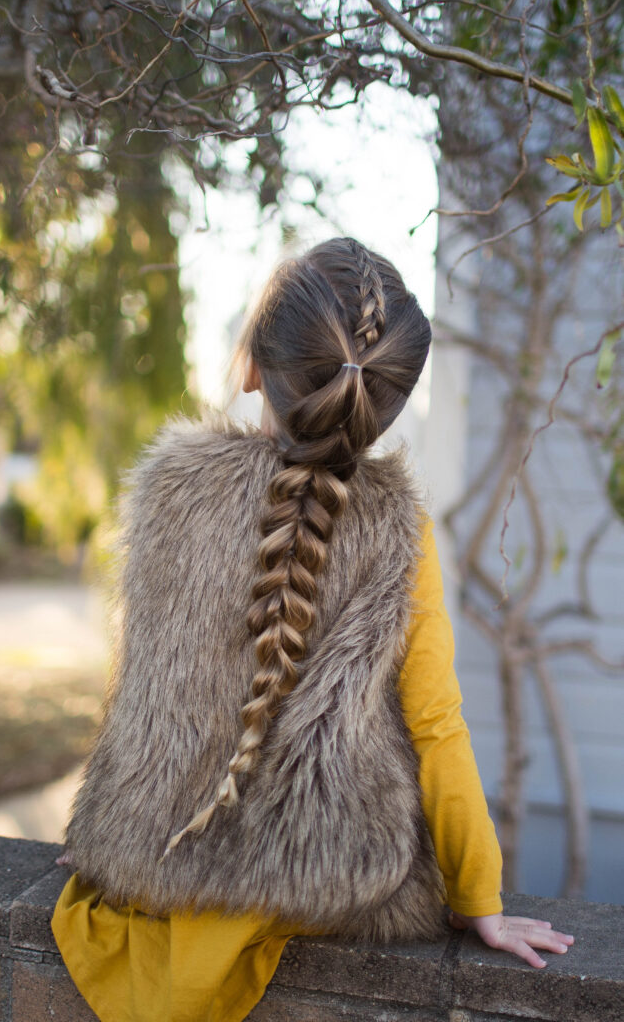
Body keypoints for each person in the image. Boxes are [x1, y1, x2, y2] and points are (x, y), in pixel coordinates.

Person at [52, 237, 574, 1022]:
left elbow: (143, 687)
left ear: (255, 365)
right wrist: (478, 895)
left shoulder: (170, 493)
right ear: (384, 401)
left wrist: (113, 833)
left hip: (155, 859)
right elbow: (435, 723)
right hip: (332, 872)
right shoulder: (400, 526)